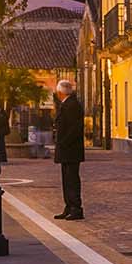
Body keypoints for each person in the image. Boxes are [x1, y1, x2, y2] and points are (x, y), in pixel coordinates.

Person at [53, 76, 86, 220]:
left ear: (62, 93)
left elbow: (74, 128)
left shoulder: (72, 105)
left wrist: (64, 142)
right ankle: (69, 206)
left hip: (70, 149)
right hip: (67, 149)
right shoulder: (67, 104)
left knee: (72, 179)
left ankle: (75, 208)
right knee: (66, 179)